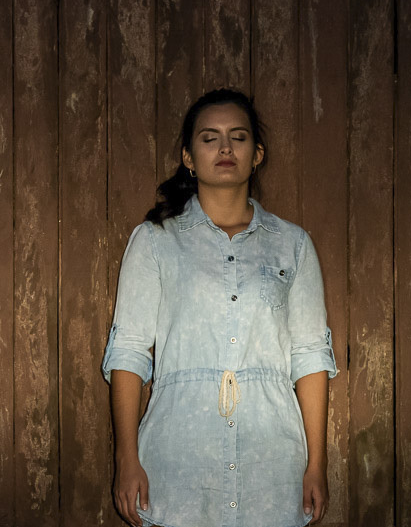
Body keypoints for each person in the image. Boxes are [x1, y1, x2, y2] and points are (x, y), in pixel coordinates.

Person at [103, 88, 338, 527]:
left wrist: (316, 464)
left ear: (257, 153)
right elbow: (129, 353)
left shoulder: (292, 245)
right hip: (176, 469)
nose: (225, 148)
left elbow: (309, 357)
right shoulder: (156, 241)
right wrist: (127, 458)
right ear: (189, 157)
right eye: (209, 138)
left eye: (238, 136)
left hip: (272, 467)